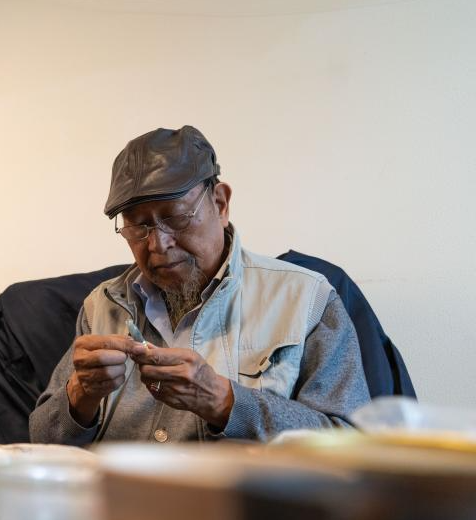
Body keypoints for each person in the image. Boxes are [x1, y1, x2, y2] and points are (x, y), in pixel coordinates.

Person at [29, 126, 371, 444]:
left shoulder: (307, 301)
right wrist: (80, 395)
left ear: (220, 204)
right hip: (111, 490)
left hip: (237, 493)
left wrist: (225, 402)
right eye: (137, 226)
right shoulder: (102, 306)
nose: (158, 244)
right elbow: (40, 441)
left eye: (176, 217)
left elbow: (351, 448)